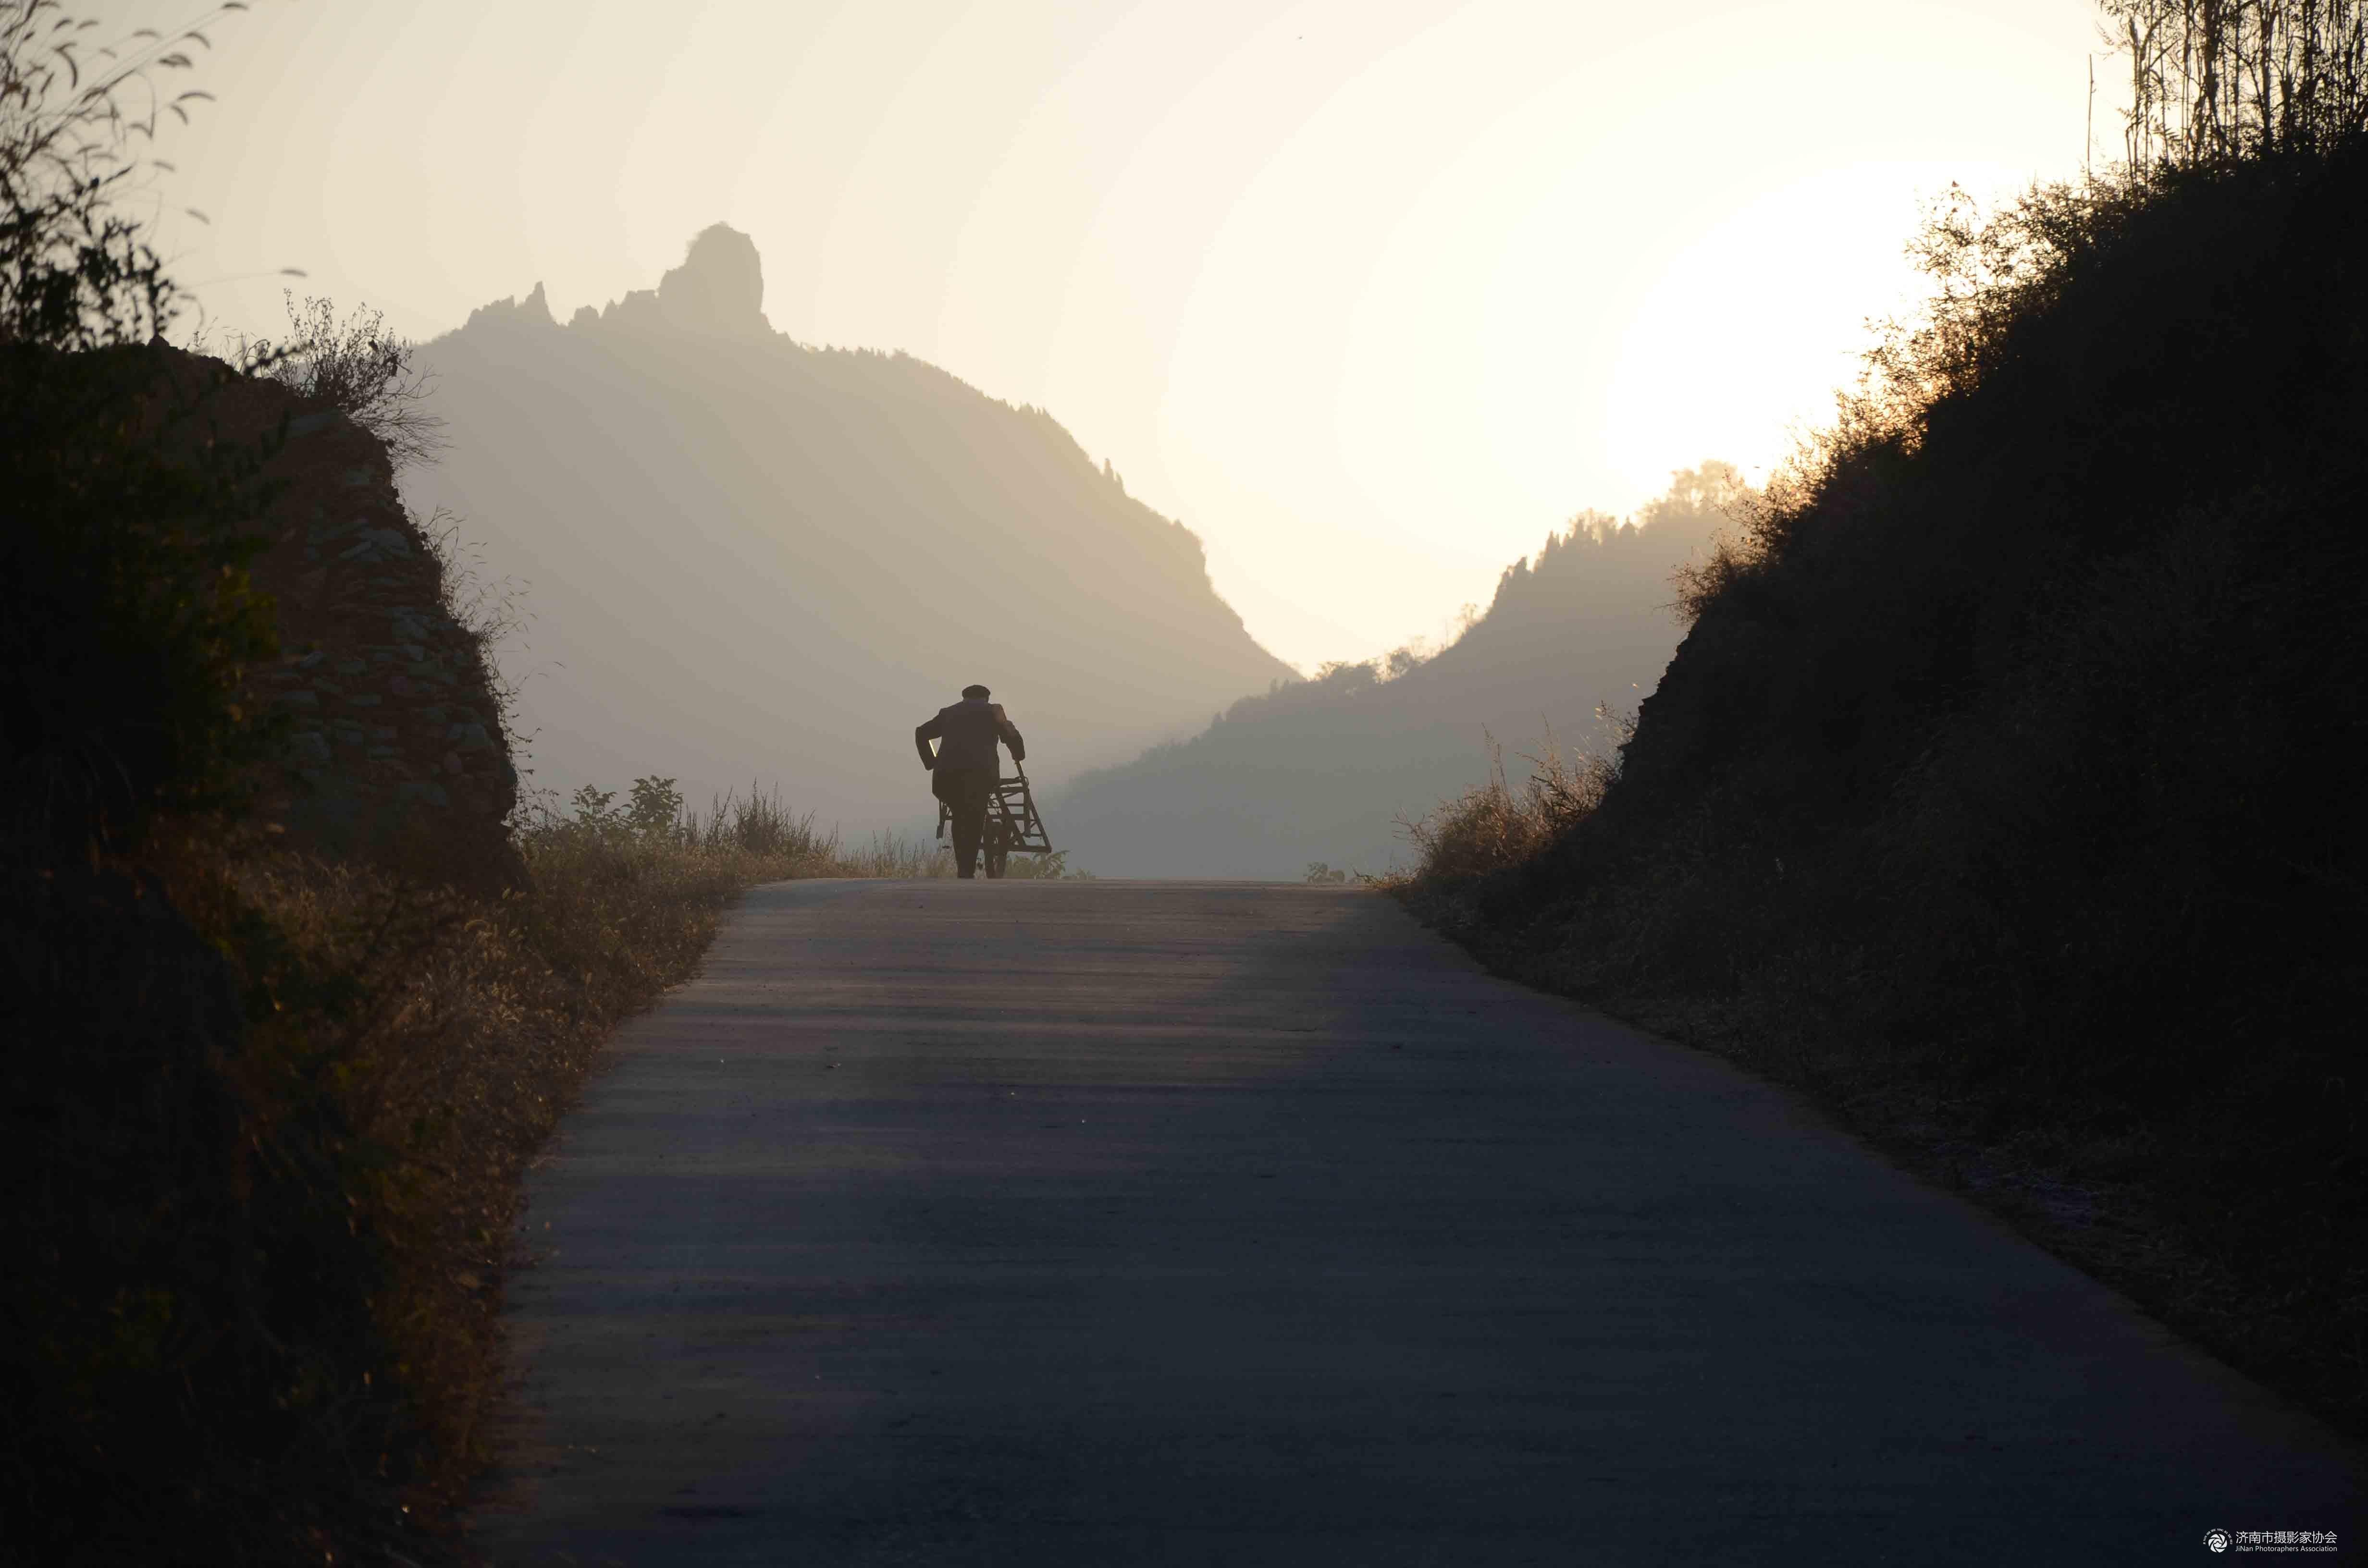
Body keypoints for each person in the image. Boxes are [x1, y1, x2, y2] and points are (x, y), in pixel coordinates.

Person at [915, 684, 1026, 879]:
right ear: (987, 698)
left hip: (946, 778)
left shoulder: (948, 713)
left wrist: (931, 763)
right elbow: (1011, 736)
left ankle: (963, 868)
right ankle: (967, 870)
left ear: (964, 698)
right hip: (981, 776)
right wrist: (1018, 753)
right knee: (975, 818)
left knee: (959, 816)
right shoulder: (993, 712)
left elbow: (921, 733)